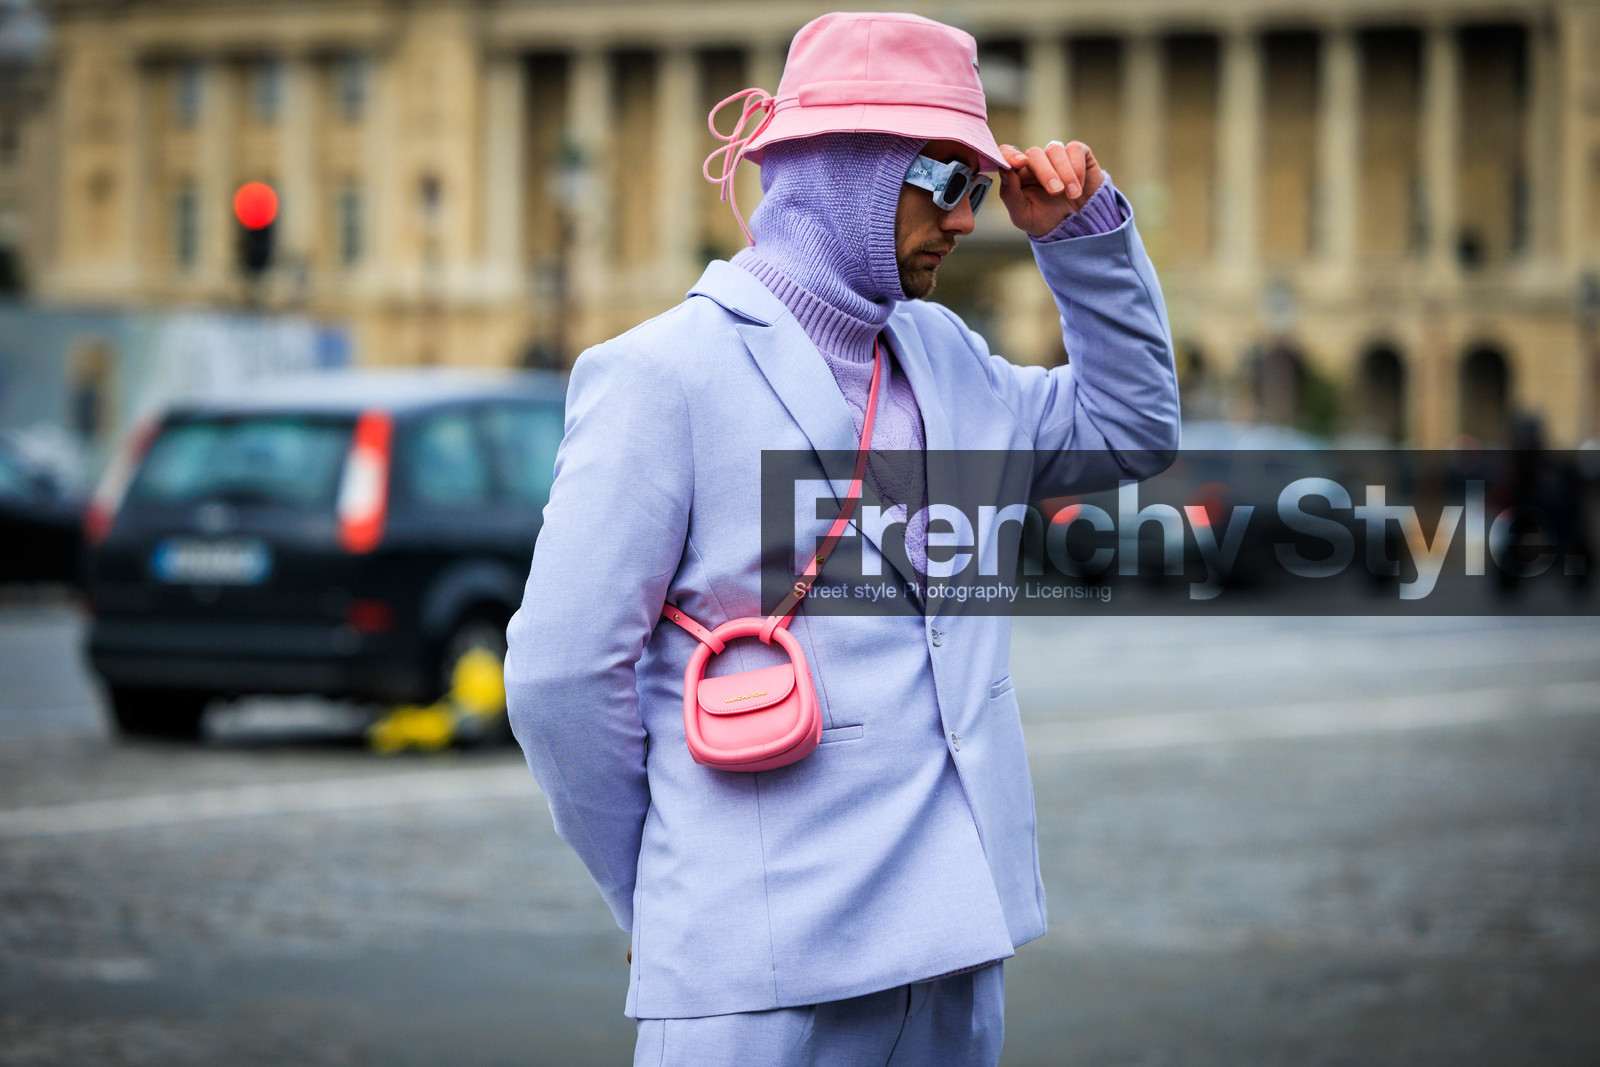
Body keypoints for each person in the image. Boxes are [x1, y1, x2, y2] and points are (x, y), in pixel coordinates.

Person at [506, 11, 1181, 1066]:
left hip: (954, 952)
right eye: (946, 181)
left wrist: (1083, 238)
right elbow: (557, 674)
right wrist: (666, 892)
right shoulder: (662, 374)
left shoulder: (951, 359)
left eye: (976, 183)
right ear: (851, 173)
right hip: (756, 973)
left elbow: (1132, 427)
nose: (968, 218)